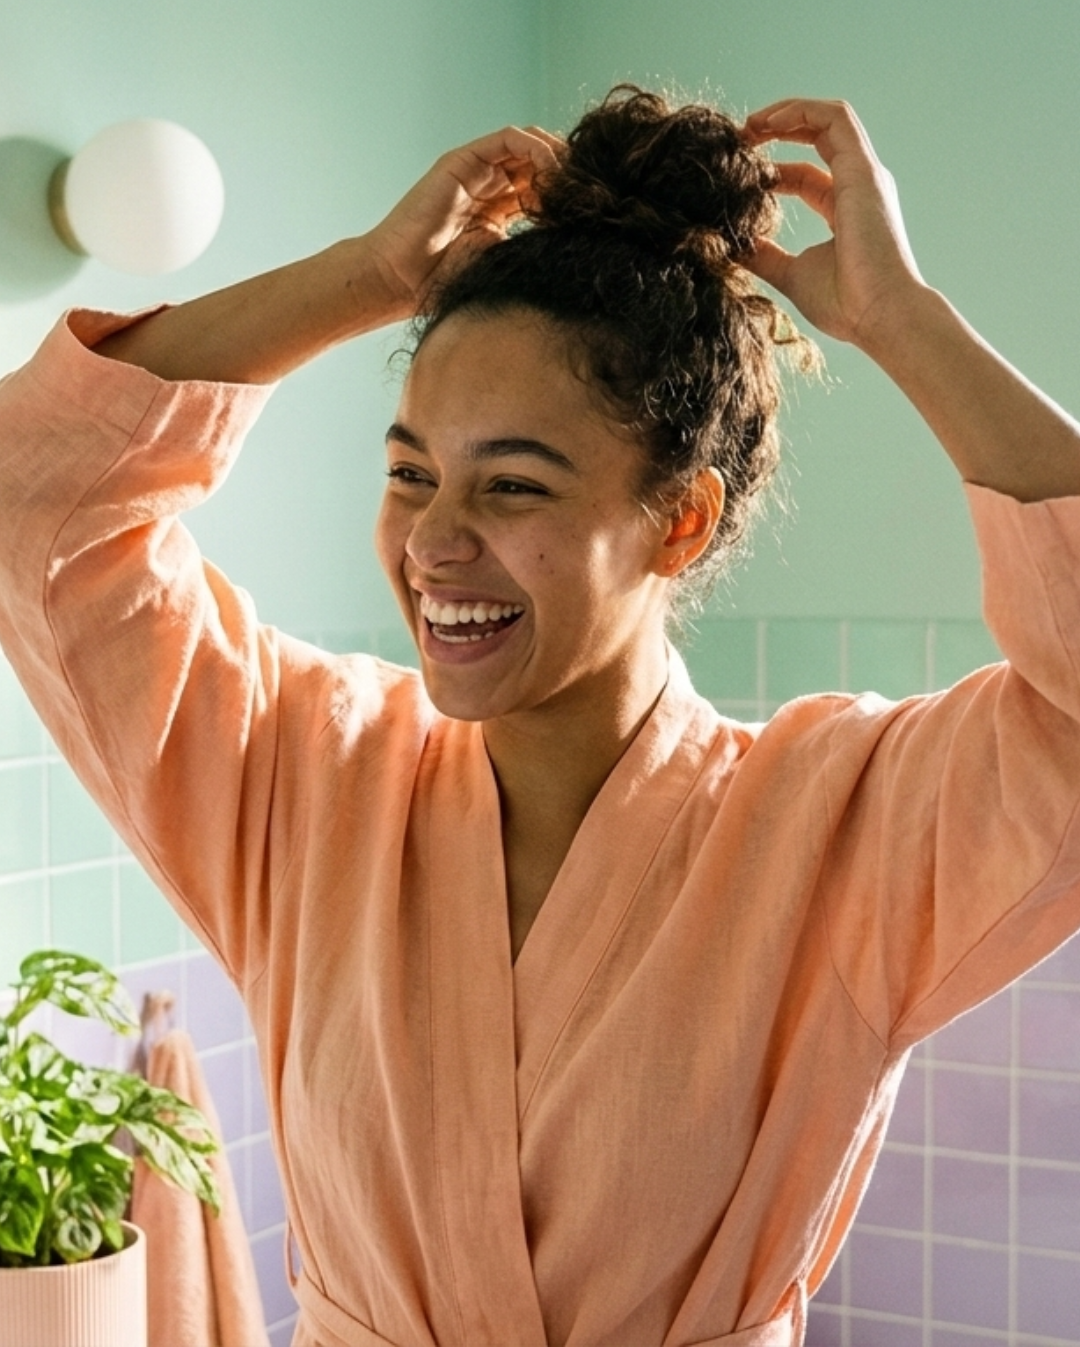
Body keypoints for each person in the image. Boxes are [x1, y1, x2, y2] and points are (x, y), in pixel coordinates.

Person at [1, 87, 1079, 1347]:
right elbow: (41, 504)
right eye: (412, 475)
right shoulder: (300, 773)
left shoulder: (838, 826)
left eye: (513, 485)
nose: (434, 545)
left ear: (678, 521)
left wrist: (903, 324)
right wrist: (363, 278)